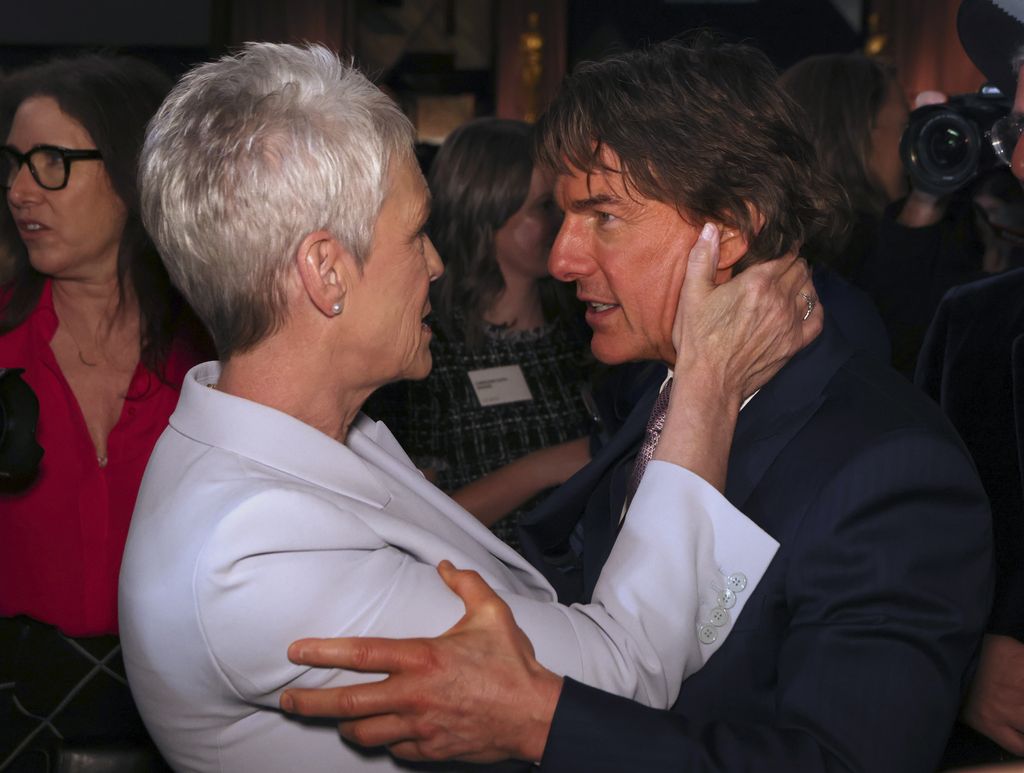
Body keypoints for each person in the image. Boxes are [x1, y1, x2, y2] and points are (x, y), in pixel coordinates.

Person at [281, 36, 993, 773]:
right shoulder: (655, 391)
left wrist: (541, 723)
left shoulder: (892, 472)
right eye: (561, 217)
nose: (562, 258)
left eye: (604, 217)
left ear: (731, 230)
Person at [117, 42, 819, 773]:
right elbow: (625, 672)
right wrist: (708, 380)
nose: (437, 263)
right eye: (417, 233)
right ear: (325, 271)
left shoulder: (300, 434)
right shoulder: (256, 552)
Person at [0, 53, 207, 770]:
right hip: (15, 717)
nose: (21, 189)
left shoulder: (216, 359)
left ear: (130, 174)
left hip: (186, 718)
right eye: (15, 163)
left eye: (52, 161)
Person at [365, 117, 593, 551]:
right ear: (486, 214)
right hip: (482, 593)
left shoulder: (585, 334)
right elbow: (414, 525)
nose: (563, 224)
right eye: (545, 207)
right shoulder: (426, 354)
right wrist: (542, 468)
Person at [917, 0, 1024, 765]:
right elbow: (916, 550)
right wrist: (961, 663)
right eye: (1016, 130)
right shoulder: (974, 328)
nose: (1018, 160)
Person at [780, 53, 986, 376]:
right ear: (858, 135)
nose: (917, 142)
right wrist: (924, 207)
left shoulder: (779, 247)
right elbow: (900, 350)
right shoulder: (863, 257)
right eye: (907, 126)